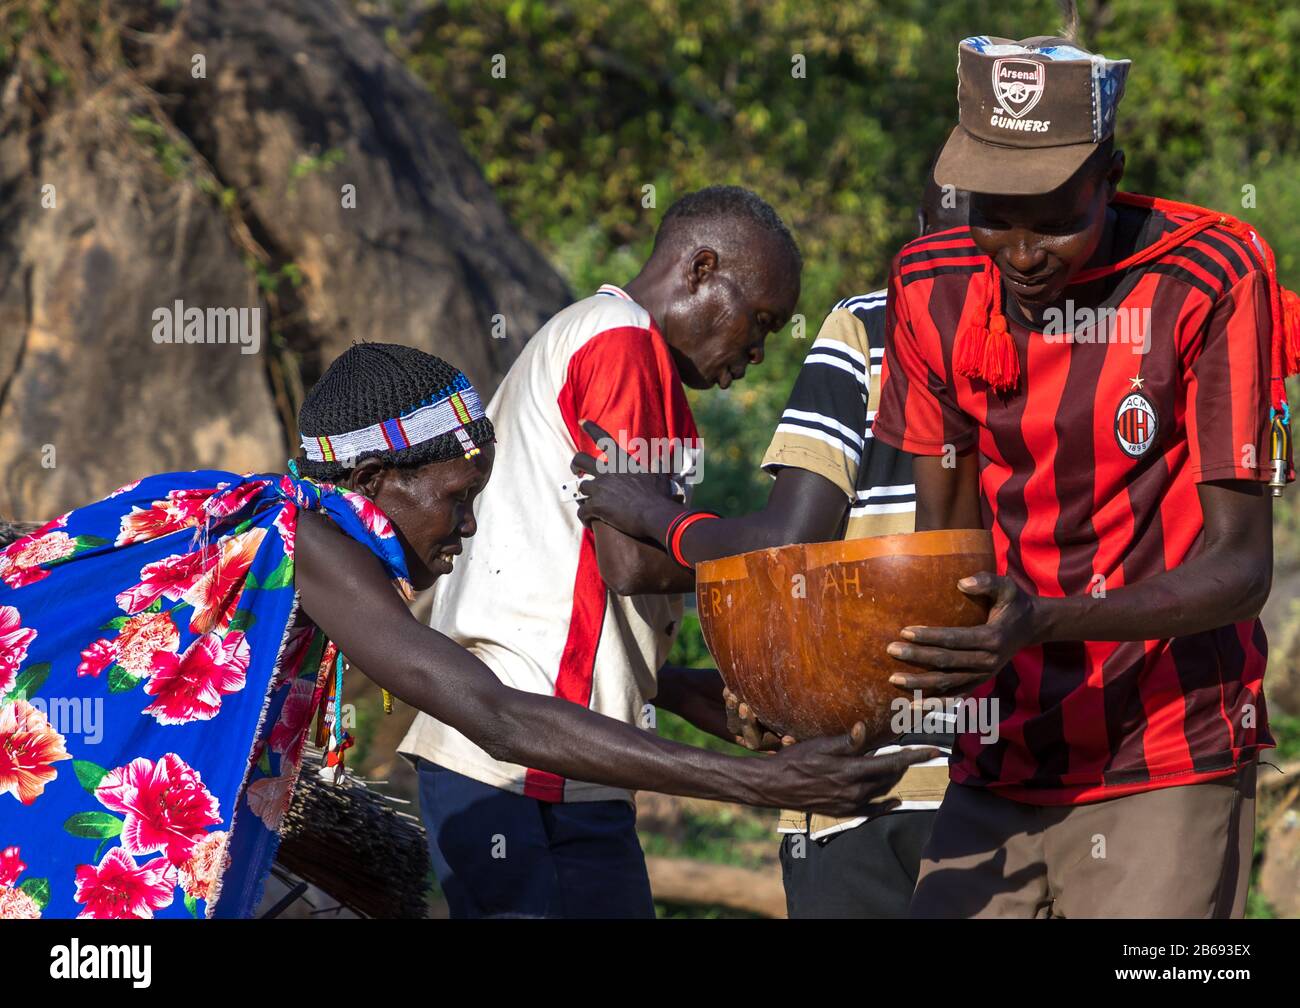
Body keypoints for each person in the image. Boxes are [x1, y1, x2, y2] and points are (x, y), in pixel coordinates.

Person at [0, 342, 931, 920]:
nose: (469, 529)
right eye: (456, 498)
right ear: (380, 480)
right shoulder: (307, 541)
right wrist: (758, 783)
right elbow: (492, 712)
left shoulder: (275, 533)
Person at [871, 35, 1296, 918]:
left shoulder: (1208, 277)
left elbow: (1242, 569)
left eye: (1056, 216)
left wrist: (1048, 619)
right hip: (997, 753)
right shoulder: (932, 285)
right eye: (995, 213)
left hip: (1166, 748)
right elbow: (945, 549)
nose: (1021, 252)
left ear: (1112, 175)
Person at [397, 186, 859, 918]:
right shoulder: (623, 340)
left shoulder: (595, 336)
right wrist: (776, 549)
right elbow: (630, 561)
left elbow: (574, 581)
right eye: (759, 321)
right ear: (702, 268)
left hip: (552, 753)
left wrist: (671, 685)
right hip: (530, 760)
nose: (758, 350)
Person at [571, 173, 970, 918]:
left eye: (766, 327)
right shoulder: (1083, 333)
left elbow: (788, 544)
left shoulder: (872, 324)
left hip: (863, 778)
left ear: (919, 230)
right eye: (757, 323)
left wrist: (650, 511)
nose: (755, 352)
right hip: (1020, 776)